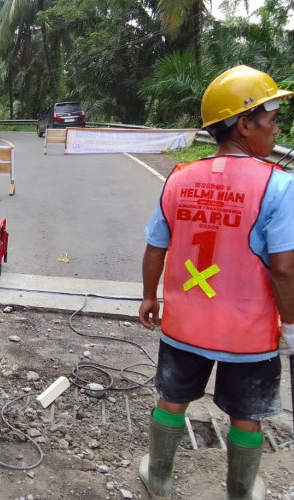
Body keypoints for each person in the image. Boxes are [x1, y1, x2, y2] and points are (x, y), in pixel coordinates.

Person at [138, 65, 294, 500]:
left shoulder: (180, 178)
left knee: (172, 398)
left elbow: (156, 246)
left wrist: (150, 296)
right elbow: (284, 268)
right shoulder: (280, 187)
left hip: (185, 324)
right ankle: (240, 492)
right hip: (250, 333)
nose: (276, 128)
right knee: (247, 414)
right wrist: (292, 325)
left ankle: (160, 479)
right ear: (244, 123)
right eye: (272, 119)